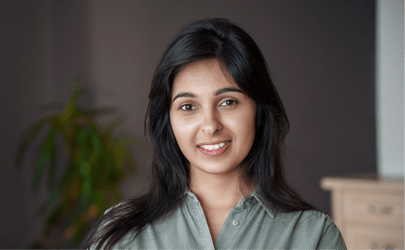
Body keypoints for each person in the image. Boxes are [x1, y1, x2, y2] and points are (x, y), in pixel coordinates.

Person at [81, 18, 347, 250]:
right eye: (188, 106)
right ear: (168, 121)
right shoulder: (120, 234)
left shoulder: (313, 235)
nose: (210, 125)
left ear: (259, 110)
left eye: (228, 102)